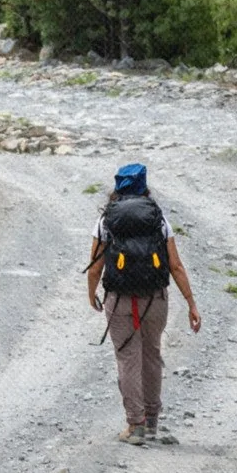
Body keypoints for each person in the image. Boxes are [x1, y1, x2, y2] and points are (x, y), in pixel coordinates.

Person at [85, 161, 201, 444]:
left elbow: (95, 267)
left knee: (127, 358)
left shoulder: (106, 221)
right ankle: (151, 422)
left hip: (119, 300)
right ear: (145, 186)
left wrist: (92, 293)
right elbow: (176, 266)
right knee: (152, 356)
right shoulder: (159, 221)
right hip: (154, 300)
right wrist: (191, 303)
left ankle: (134, 425)